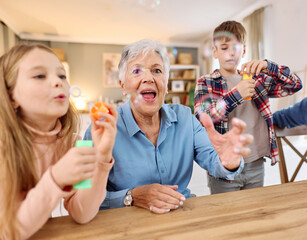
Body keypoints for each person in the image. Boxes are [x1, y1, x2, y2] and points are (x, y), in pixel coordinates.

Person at [84, 39, 253, 214]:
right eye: (136, 71)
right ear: (123, 86)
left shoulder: (185, 117)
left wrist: (229, 161)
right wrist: (131, 197)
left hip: (182, 214)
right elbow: (82, 198)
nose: (148, 78)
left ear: (165, 84)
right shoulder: (100, 130)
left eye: (157, 70)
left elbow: (216, 163)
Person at [0, 44, 118, 239]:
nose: (57, 82)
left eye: (62, 76)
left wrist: (102, 156)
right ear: (11, 96)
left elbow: (82, 213)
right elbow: (6, 232)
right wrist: (55, 179)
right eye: (39, 76)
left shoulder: (72, 143)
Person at [194, 21, 302, 194]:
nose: (230, 53)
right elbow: (205, 117)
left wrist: (269, 66)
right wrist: (237, 94)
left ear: (243, 50)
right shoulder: (206, 81)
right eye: (224, 47)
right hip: (224, 165)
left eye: (236, 47)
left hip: (255, 162)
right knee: (226, 213)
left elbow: (295, 85)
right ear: (214, 52)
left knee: (254, 212)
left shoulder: (257, 80)